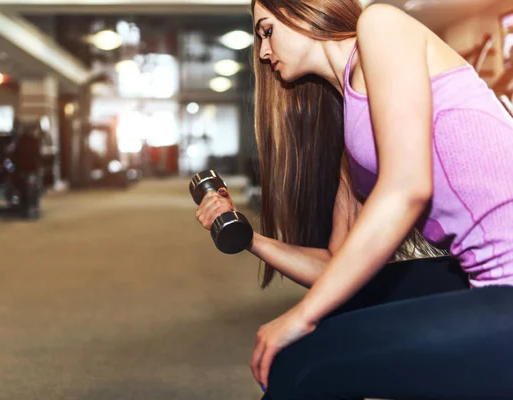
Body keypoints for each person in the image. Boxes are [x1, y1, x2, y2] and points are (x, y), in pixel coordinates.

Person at [194, 0, 513, 399]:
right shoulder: (356, 137)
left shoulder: (381, 25)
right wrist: (247, 237)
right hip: (481, 277)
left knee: (298, 363)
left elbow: (408, 187)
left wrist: (300, 317)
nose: (262, 51)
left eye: (266, 30)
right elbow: (335, 265)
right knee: (333, 316)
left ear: (304, 9)